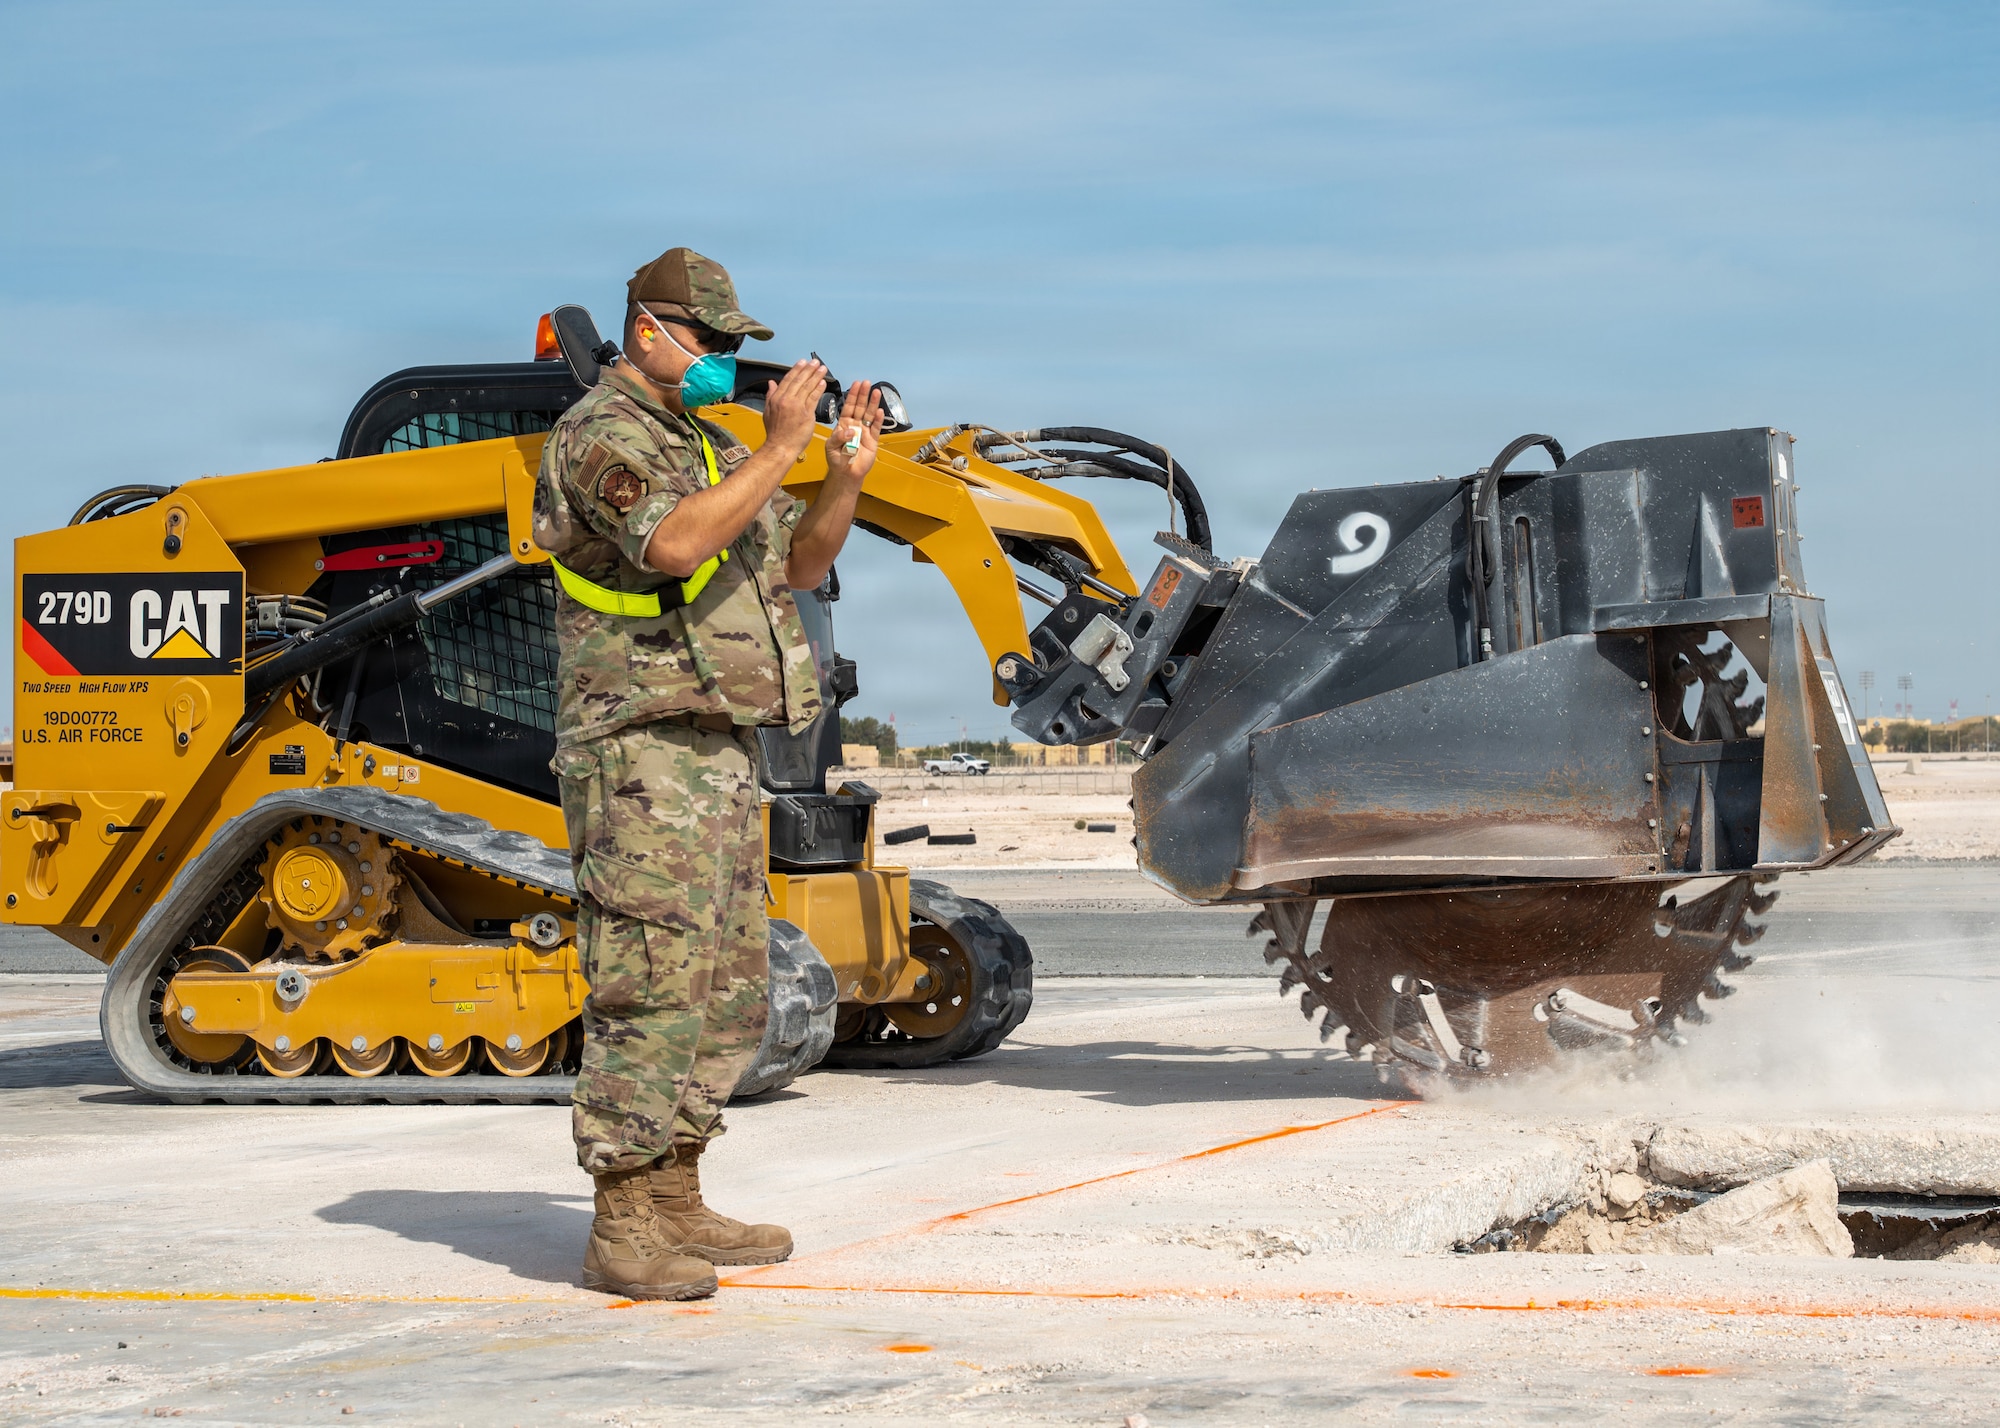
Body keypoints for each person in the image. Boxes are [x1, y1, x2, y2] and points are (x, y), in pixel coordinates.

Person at [533, 247, 883, 1300]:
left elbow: (800, 564)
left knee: (723, 985)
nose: (727, 361)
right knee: (649, 982)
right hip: (637, 744)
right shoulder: (600, 435)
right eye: (715, 341)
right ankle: (623, 1220)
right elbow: (674, 548)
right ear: (648, 331)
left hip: (714, 745)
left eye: (737, 345)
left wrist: (841, 475)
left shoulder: (700, 442)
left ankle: (676, 1194)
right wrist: (778, 447)